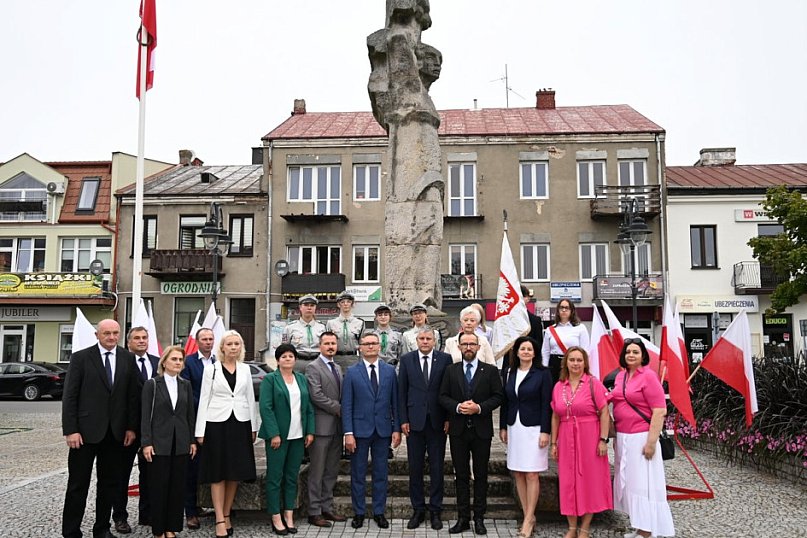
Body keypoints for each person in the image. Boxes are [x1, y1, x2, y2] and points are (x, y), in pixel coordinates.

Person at [61, 319, 139, 538]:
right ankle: (71, 531)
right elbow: (70, 396)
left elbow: (132, 396)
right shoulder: (81, 358)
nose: (111, 337)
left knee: (109, 484)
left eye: (115, 333)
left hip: (115, 433)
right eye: (107, 333)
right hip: (84, 433)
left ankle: (102, 529)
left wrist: (131, 427)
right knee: (78, 485)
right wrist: (71, 429)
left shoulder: (127, 358)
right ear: (97, 335)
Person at [194, 330, 259, 538]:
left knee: (234, 473)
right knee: (218, 473)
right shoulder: (211, 369)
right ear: (222, 347)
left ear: (241, 347)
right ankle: (219, 519)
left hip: (240, 423)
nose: (233, 347)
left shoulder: (245, 369)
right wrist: (200, 430)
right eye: (229, 344)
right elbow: (204, 399)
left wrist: (253, 427)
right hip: (216, 424)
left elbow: (250, 398)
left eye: (236, 344)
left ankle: (227, 513)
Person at [439, 332, 503, 535]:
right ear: (458, 347)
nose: (468, 347)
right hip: (458, 431)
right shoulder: (451, 370)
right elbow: (442, 396)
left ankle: (479, 518)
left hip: (481, 431)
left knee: (481, 475)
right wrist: (458, 407)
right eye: (464, 344)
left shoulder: (490, 371)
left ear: (479, 346)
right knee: (461, 475)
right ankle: (463, 518)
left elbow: (498, 396)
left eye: (472, 344)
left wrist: (479, 408)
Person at [611, 339, 675, 538]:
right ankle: (639, 525)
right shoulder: (620, 376)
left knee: (642, 485)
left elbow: (659, 410)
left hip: (641, 436)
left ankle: (647, 531)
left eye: (635, 352)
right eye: (628, 352)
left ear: (643, 356)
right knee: (629, 483)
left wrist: (651, 442)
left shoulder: (648, 376)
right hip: (623, 436)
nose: (631, 355)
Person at [549, 346, 613, 538]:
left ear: (585, 363)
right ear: (566, 363)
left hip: (590, 436)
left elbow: (604, 412)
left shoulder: (593, 383)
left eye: (579, 360)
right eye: (572, 360)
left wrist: (603, 439)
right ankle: (571, 526)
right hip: (566, 436)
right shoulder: (559, 386)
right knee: (568, 481)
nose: (575, 363)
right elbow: (555, 416)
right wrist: (554, 443)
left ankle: (584, 527)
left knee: (589, 481)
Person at [342, 332, 401, 530]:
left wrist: (396, 429)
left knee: (381, 473)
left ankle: (379, 511)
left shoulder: (389, 371)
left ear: (379, 346)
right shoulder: (352, 372)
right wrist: (348, 433)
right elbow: (347, 405)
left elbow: (395, 402)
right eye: (366, 344)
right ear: (360, 347)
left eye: (373, 343)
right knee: (358, 473)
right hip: (359, 431)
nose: (370, 347)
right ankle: (359, 512)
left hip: (383, 431)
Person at [398, 327, 452, 530]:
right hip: (414, 422)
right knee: (415, 467)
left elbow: (449, 390)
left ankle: (436, 509)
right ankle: (418, 509)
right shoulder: (407, 360)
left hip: (438, 422)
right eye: (421, 338)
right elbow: (402, 392)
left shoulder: (445, 359)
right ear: (416, 340)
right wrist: (403, 419)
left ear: (435, 340)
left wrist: (449, 418)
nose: (425, 341)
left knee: (437, 467)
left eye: (429, 338)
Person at [141, 346, 197, 538]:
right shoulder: (152, 384)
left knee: (177, 487)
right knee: (159, 487)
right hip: (159, 443)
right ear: (164, 362)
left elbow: (189, 415)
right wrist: (146, 442)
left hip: (181, 442)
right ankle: (158, 529)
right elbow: (145, 416)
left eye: (180, 360)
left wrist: (191, 440)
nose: (178, 363)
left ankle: (171, 527)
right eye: (174, 359)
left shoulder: (185, 385)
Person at [498, 336, 552, 537]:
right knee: (518, 473)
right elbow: (506, 401)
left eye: (530, 349)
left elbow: (547, 403)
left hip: (534, 429)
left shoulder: (543, 373)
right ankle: (527, 513)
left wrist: (546, 430)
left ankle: (529, 519)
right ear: (517, 352)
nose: (526, 352)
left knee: (532, 473)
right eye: (523, 349)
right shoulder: (509, 372)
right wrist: (503, 426)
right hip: (515, 427)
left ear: (535, 353)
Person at [258, 344, 315, 535]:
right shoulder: (270, 379)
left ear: (295, 359)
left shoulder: (301, 379)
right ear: (278, 360)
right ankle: (275, 516)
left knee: (292, 477)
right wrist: (274, 433)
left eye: (291, 356)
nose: (288, 359)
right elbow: (265, 408)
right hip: (278, 438)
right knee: (275, 478)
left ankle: (289, 514)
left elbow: (308, 407)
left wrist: (310, 431)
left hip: (298, 436)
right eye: (284, 356)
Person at [112, 326, 159, 534]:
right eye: (137, 338)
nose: (141, 341)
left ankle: (147, 513)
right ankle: (120, 517)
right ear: (129, 342)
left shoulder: (158, 362)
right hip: (128, 429)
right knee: (121, 474)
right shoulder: (121, 362)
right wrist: (127, 426)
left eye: (144, 337)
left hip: (153, 428)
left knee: (150, 473)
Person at [304, 332, 348, 528]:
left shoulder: (337, 367)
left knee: (331, 470)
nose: (330, 346)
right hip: (321, 427)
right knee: (317, 471)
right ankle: (314, 512)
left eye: (333, 343)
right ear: (319, 346)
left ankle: (326, 507)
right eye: (327, 343)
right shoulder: (313, 367)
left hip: (337, 428)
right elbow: (316, 395)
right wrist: (339, 409)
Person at [180, 326, 216, 530]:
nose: (208, 342)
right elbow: (187, 391)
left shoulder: (218, 361)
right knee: (192, 469)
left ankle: (206, 504)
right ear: (197, 341)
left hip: (216, 421)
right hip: (195, 421)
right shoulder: (189, 362)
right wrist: (205, 404)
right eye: (204, 339)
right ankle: (191, 511)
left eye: (211, 339)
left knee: (212, 466)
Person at [541, 298, 589, 385]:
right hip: (554, 365)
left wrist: (584, 368)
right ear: (558, 311)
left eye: (567, 308)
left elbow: (585, 351)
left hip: (573, 364)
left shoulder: (580, 328)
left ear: (572, 311)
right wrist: (544, 369)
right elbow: (545, 352)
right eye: (561, 307)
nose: (564, 310)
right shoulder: (550, 329)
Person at [283, 295, 326, 372]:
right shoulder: (290, 327)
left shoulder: (322, 327)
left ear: (315, 308)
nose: (309, 308)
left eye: (312, 305)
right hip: (298, 362)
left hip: (317, 362)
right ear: (300, 307)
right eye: (306, 305)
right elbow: (284, 348)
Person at [326, 292, 365, 370]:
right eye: (342, 302)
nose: (345, 304)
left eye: (348, 302)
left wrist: (362, 362)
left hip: (353, 359)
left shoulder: (360, 323)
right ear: (338, 304)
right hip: (336, 359)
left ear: (352, 304)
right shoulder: (331, 323)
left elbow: (362, 344)